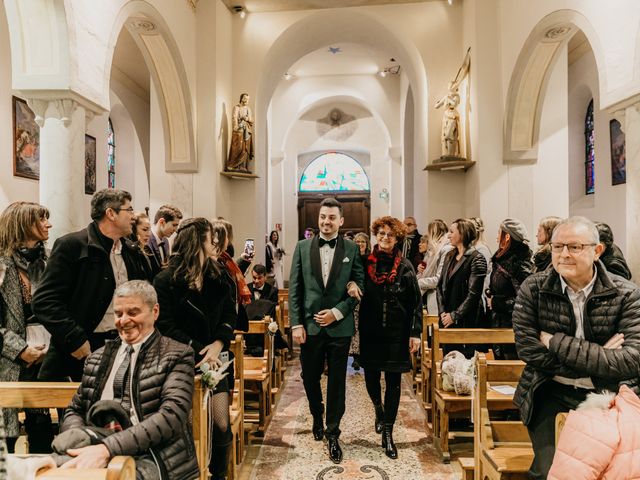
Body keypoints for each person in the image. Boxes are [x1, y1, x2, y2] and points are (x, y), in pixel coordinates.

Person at [512, 216, 640, 480]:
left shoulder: (626, 294)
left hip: (609, 394)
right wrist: (601, 354)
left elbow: (632, 360)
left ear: (597, 251)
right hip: (548, 390)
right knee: (551, 472)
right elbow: (528, 350)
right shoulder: (533, 289)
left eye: (575, 247)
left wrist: (556, 343)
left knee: (618, 471)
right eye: (558, 247)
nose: (564, 255)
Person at [58, 280, 199, 480]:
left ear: (155, 311)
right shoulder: (97, 358)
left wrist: (108, 449)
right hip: (97, 444)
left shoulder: (177, 354)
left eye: (133, 313)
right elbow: (75, 409)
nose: (124, 321)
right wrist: (83, 443)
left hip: (155, 453)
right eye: (118, 314)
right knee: (46, 470)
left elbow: (171, 417)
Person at [33, 189, 150, 382]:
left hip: (125, 345)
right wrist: (74, 339)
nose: (133, 216)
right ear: (110, 214)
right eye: (129, 210)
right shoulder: (72, 246)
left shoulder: (131, 251)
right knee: (81, 411)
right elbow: (44, 301)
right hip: (83, 348)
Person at [153, 218, 236, 480]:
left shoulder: (218, 274)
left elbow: (228, 313)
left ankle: (219, 474)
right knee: (188, 424)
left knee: (221, 422)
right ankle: (190, 473)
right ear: (196, 241)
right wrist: (201, 350)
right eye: (210, 237)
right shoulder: (166, 279)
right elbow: (165, 324)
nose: (215, 242)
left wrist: (219, 343)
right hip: (182, 358)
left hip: (217, 356)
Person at [288, 197, 364, 464]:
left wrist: (337, 312)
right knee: (309, 377)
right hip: (309, 327)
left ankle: (333, 432)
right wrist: (296, 324)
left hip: (339, 329)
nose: (326, 222)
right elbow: (296, 288)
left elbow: (358, 286)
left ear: (341, 221)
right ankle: (316, 413)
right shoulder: (301, 247)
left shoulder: (352, 249)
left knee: (336, 383)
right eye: (323, 217)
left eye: (332, 218)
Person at [358, 217, 422, 459]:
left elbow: (415, 303)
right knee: (372, 378)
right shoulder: (365, 263)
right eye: (382, 233)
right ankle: (377, 407)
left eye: (390, 235)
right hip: (371, 331)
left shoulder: (405, 266)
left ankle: (388, 432)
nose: (385, 238)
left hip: (397, 332)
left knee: (393, 384)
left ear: (397, 239)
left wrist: (415, 333)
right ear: (376, 234)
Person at [0, 202, 54, 453]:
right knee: (7, 437)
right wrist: (20, 349)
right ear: (21, 225)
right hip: (9, 357)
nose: (48, 224)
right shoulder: (2, 264)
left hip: (49, 353)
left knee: (43, 428)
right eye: (41, 220)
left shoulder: (51, 259)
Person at [436, 218, 488, 357]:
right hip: (446, 317)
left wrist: (455, 315)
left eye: (452, 232)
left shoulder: (477, 258)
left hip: (466, 319)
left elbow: (473, 294)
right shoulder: (449, 255)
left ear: (463, 234)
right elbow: (440, 285)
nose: (448, 235)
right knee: (447, 360)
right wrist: (442, 312)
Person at [485, 218, 532, 359]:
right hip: (499, 320)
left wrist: (496, 303)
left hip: (512, 323)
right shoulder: (502, 258)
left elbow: (524, 298)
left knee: (510, 365)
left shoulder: (519, 262)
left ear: (507, 236)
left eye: (499, 232)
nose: (496, 236)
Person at [416, 219, 452, 315]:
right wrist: (421, 271)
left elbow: (439, 279)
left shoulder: (446, 249)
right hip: (428, 295)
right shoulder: (433, 250)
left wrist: (419, 282)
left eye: (429, 231)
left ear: (434, 233)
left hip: (437, 298)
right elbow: (426, 271)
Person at [350, 232, 371, 371]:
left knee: (366, 325)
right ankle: (356, 356)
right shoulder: (350, 258)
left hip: (369, 295)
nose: (360, 244)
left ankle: (366, 354)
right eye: (357, 242)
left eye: (363, 242)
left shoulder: (371, 259)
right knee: (355, 326)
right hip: (355, 296)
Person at [147, 205, 182, 271]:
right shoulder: (146, 240)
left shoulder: (166, 241)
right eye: (174, 225)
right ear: (162, 222)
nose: (175, 229)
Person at [226, 93, 254, 172]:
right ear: (241, 98)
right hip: (239, 130)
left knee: (245, 148)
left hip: (247, 131)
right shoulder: (236, 107)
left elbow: (251, 120)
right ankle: (234, 165)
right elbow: (234, 117)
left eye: (248, 99)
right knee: (238, 147)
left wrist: (247, 118)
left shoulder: (248, 109)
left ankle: (243, 166)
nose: (246, 100)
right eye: (245, 98)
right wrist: (235, 126)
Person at [132, 212, 160, 278]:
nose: (148, 234)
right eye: (144, 230)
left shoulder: (147, 248)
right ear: (133, 230)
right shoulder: (130, 251)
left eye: (149, 230)